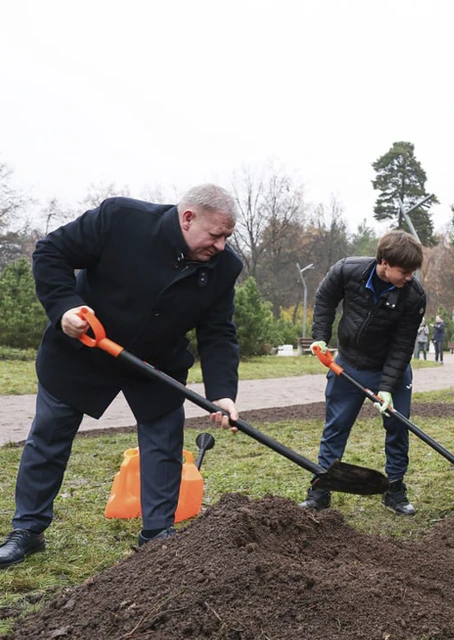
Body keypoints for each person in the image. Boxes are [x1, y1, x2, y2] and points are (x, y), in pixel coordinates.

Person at [0, 185, 243, 569]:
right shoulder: (120, 219)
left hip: (155, 363)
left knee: (163, 445)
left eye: (228, 236)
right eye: (216, 235)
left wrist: (223, 393)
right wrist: (64, 308)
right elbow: (51, 252)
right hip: (84, 347)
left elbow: (218, 332)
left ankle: (157, 535)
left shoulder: (224, 267)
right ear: (188, 217)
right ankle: (27, 531)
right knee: (48, 438)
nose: (221, 246)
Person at [301, 230, 426, 516]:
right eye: (404, 271)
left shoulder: (414, 296)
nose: (409, 277)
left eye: (412, 272)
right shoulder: (348, 270)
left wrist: (386, 386)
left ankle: (395, 489)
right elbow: (324, 299)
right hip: (349, 366)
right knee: (336, 428)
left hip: (390, 369)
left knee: (397, 428)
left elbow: (403, 344)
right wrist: (320, 336)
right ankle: (320, 489)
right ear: (384, 262)